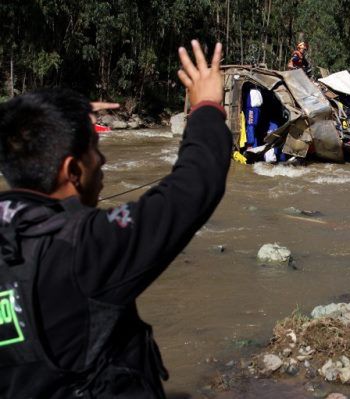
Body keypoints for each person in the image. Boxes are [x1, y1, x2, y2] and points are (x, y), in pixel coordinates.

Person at [0, 40, 231, 398]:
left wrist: (60, 123)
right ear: (73, 170)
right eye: (95, 149)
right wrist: (206, 108)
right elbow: (194, 185)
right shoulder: (85, 249)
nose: (103, 162)